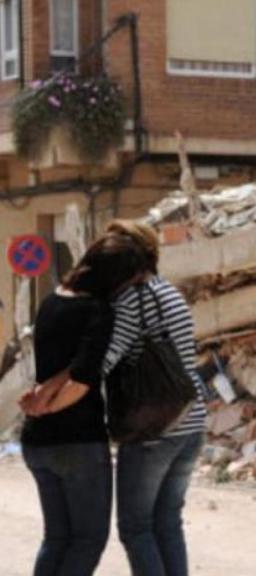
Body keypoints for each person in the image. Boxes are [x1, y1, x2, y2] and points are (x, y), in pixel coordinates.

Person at [19, 234, 149, 576]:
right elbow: (82, 380)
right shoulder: (97, 310)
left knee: (57, 538)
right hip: (77, 443)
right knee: (88, 539)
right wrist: (50, 406)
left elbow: (63, 366)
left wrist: (42, 404)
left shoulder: (50, 301)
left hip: (37, 443)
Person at [103, 221, 208, 576]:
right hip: (189, 421)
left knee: (135, 527)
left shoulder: (133, 300)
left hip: (153, 427)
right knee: (167, 522)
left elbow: (105, 360)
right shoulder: (168, 291)